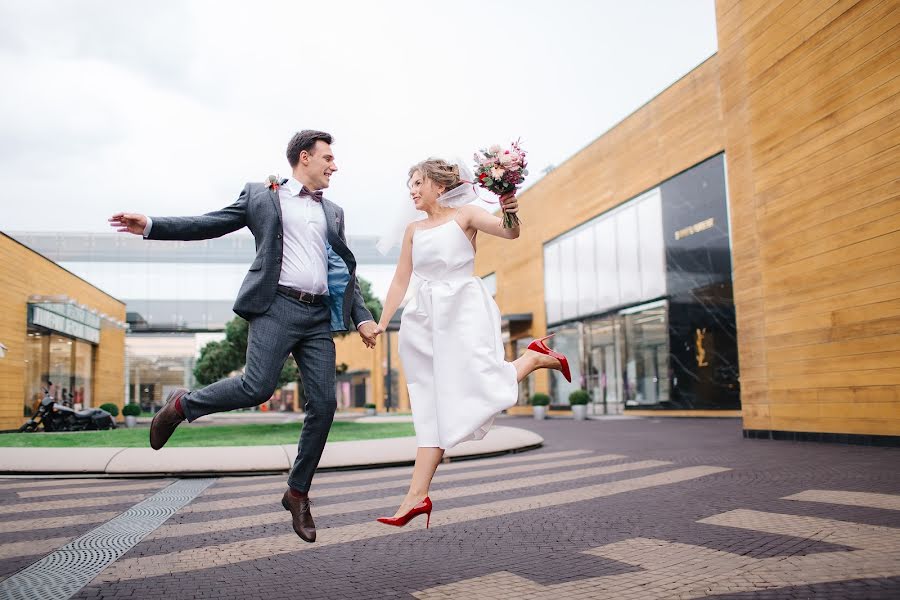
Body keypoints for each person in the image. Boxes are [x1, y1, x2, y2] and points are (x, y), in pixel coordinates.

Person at [108, 130, 379, 543]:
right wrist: (152, 225)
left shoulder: (335, 212)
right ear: (304, 158)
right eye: (328, 158)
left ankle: (298, 492)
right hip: (276, 305)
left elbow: (343, 272)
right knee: (257, 387)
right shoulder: (262, 195)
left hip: (317, 316)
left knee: (324, 404)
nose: (334, 165)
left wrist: (361, 317)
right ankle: (182, 405)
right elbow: (211, 224)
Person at [372, 158, 571, 528]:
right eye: (409, 186)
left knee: (479, 382)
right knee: (430, 406)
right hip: (423, 321)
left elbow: (510, 233)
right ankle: (416, 497)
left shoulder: (466, 214)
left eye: (417, 183)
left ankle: (530, 360)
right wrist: (383, 323)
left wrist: (510, 208)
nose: (412, 191)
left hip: (463, 310)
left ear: (439, 185)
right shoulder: (413, 230)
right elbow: (401, 280)